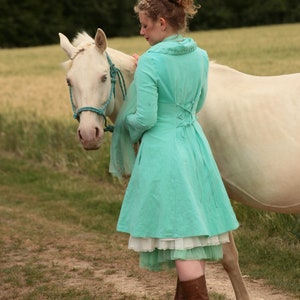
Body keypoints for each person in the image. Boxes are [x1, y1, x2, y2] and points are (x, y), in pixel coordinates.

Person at [109, 0, 239, 298]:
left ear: (162, 24)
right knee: (191, 233)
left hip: (164, 152)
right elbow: (198, 103)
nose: (142, 31)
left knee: (181, 234)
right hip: (194, 147)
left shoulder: (152, 61)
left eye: (144, 24)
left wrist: (124, 121)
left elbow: (146, 118)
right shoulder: (201, 56)